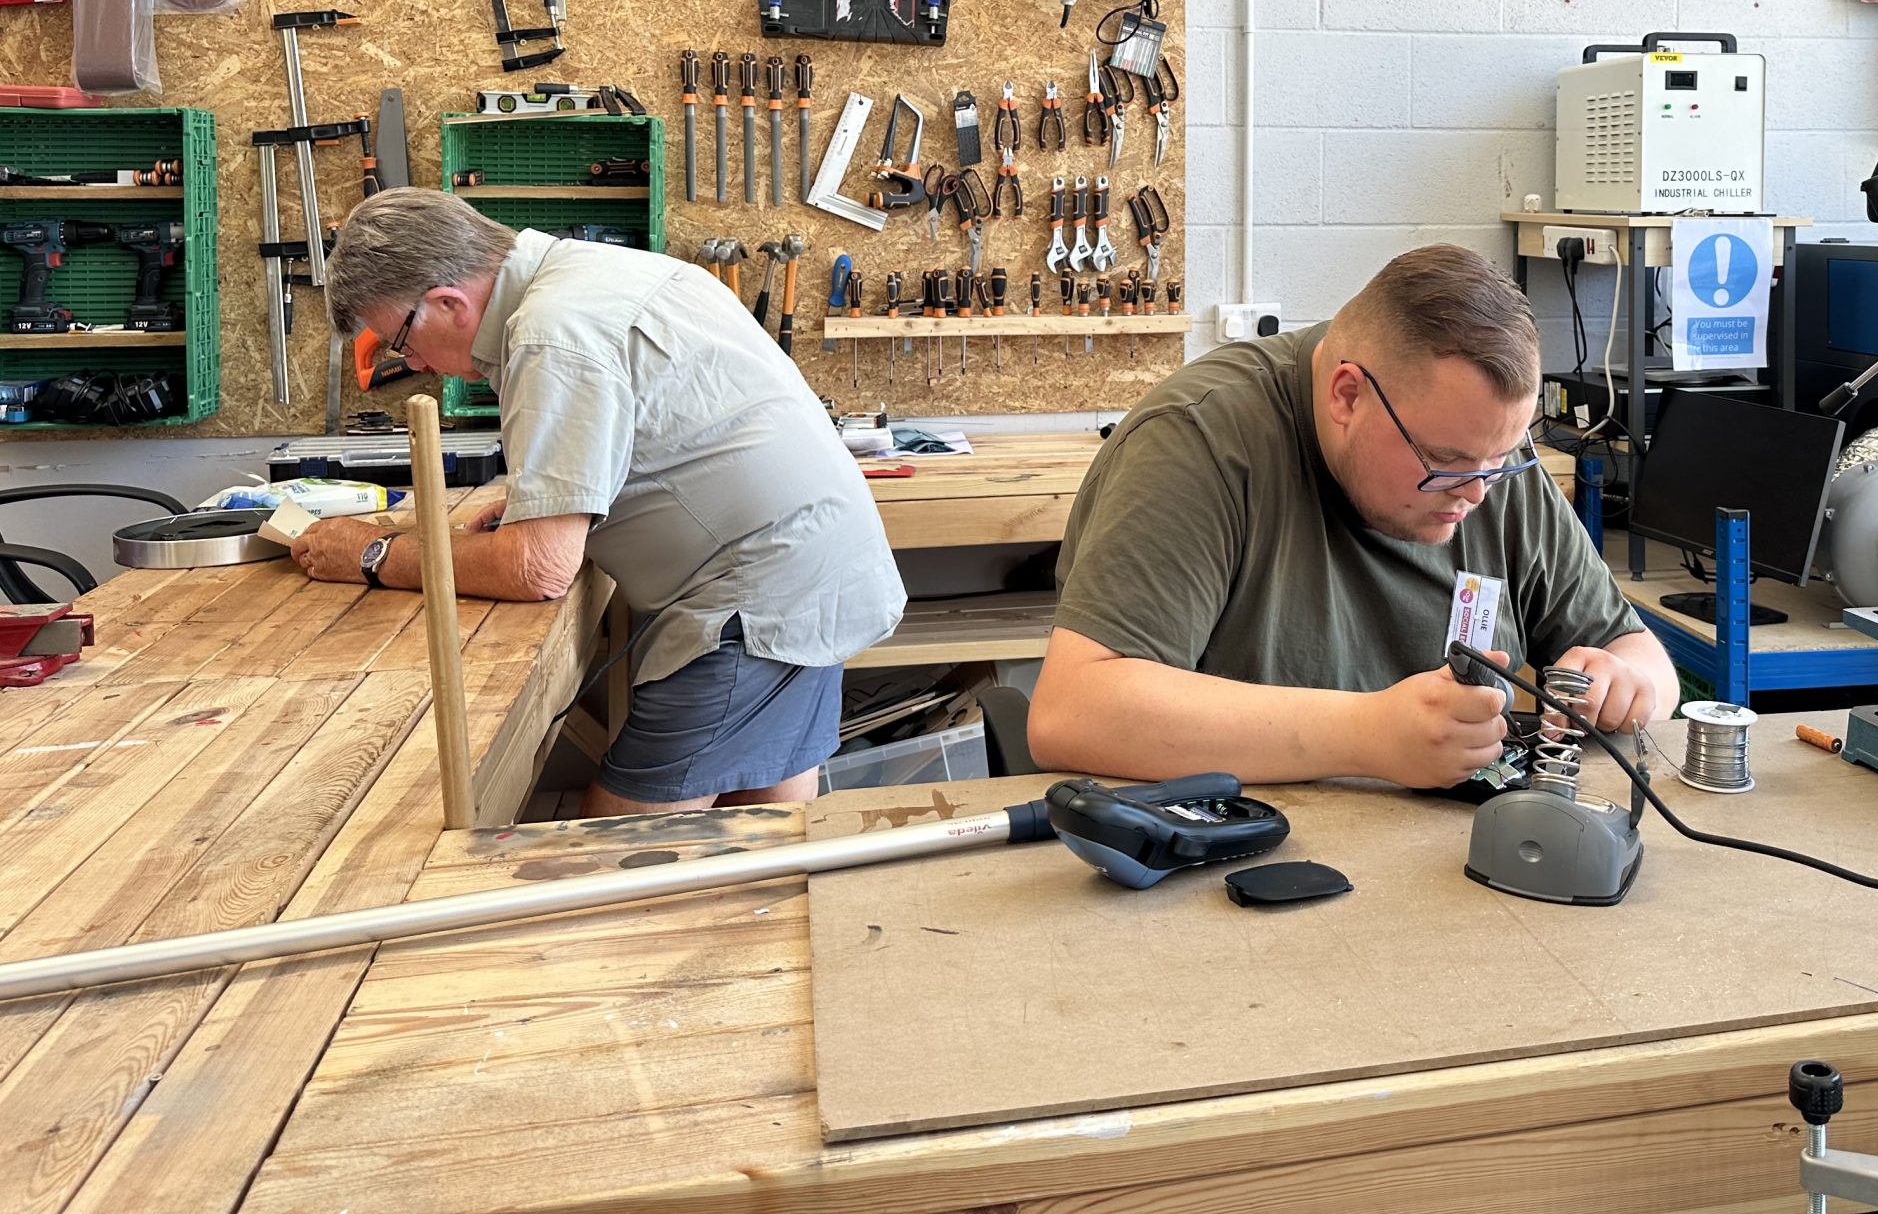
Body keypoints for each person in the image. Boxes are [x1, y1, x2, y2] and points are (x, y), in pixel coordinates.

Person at [295, 189, 902, 815]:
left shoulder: (550, 332)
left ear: (447, 303)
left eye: (399, 341)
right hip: (815, 570)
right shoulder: (597, 271)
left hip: (757, 603)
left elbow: (537, 569)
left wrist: (372, 553)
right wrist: (557, 502)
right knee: (761, 844)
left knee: (606, 866)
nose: (413, 364)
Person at [1028, 244, 1676, 788]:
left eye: (1501, 460)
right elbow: (1073, 713)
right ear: (1347, 396)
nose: (1478, 494)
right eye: (1447, 463)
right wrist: (1370, 735)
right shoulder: (1201, 441)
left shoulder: (1481, 450)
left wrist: (1628, 684)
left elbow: (1643, 658)